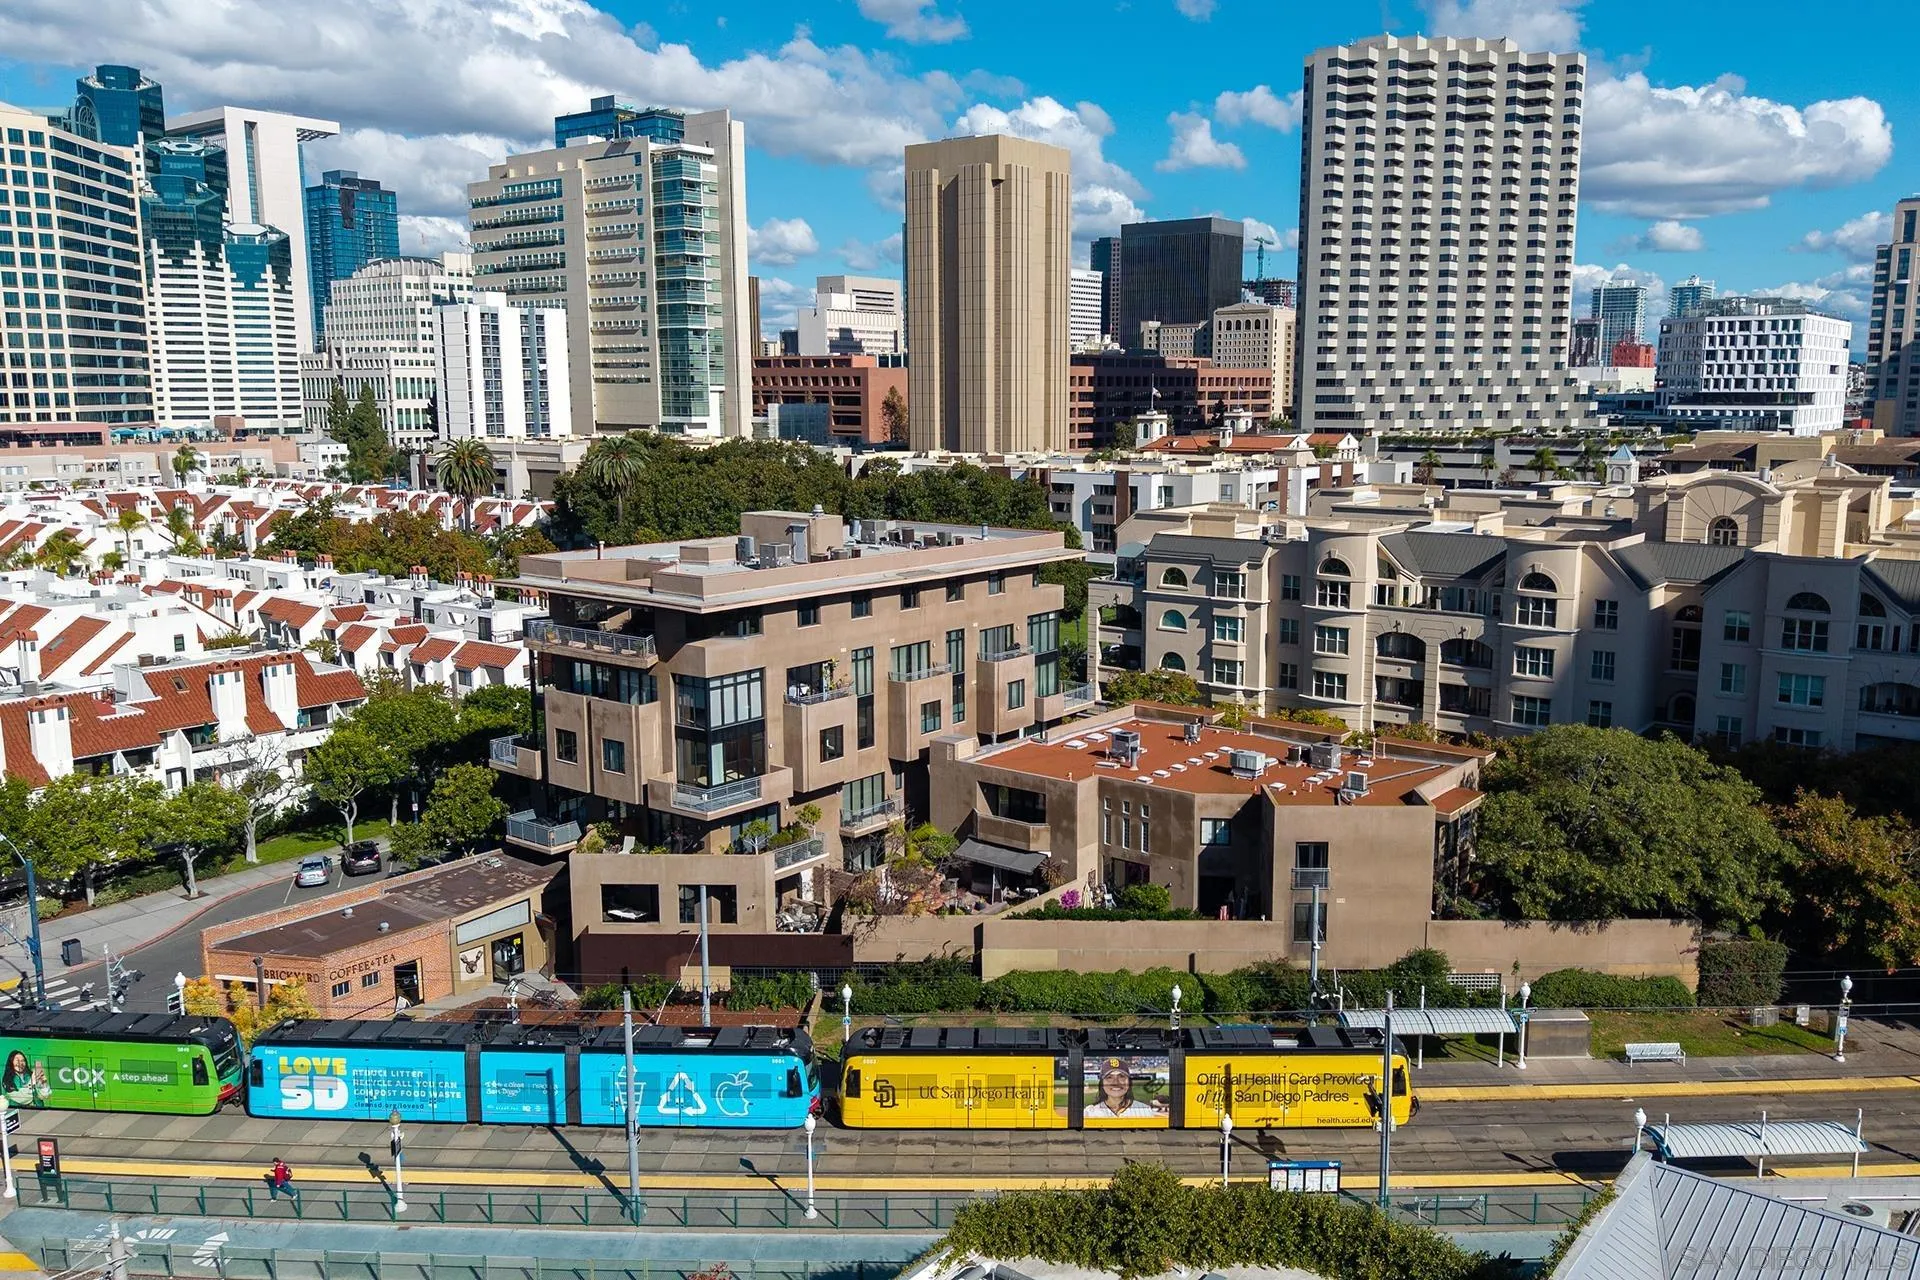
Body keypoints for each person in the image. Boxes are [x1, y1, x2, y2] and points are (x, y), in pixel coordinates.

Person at [1083, 1058, 1166, 1120]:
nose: (1116, 1082)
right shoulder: (1089, 1113)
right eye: (1109, 1077)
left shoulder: (1145, 1111)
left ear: (1129, 1082)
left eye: (1121, 1076)